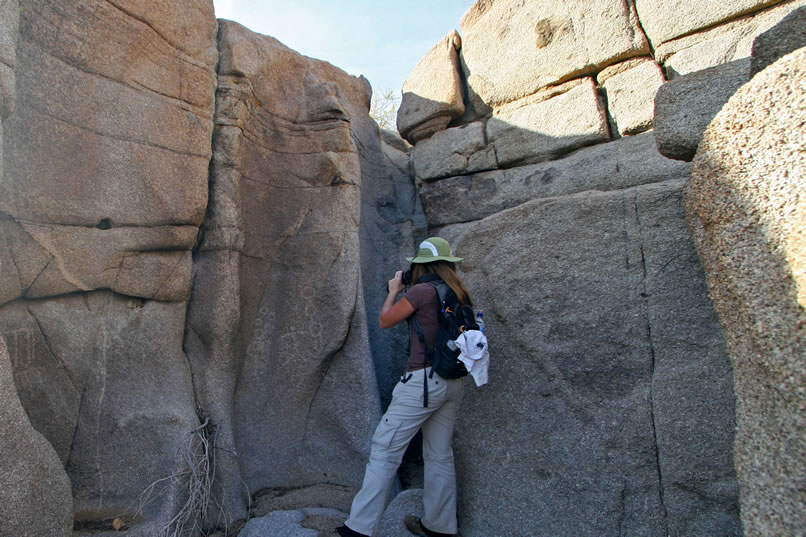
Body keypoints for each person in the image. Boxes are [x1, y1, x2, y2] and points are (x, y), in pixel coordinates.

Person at [337, 237, 472, 537]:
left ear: (421, 265)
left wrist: (394, 291)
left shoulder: (423, 291)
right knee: (439, 455)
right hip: (452, 383)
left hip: (422, 384)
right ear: (448, 264)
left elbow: (386, 320)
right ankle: (440, 528)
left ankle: (358, 529)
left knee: (385, 451)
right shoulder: (458, 292)